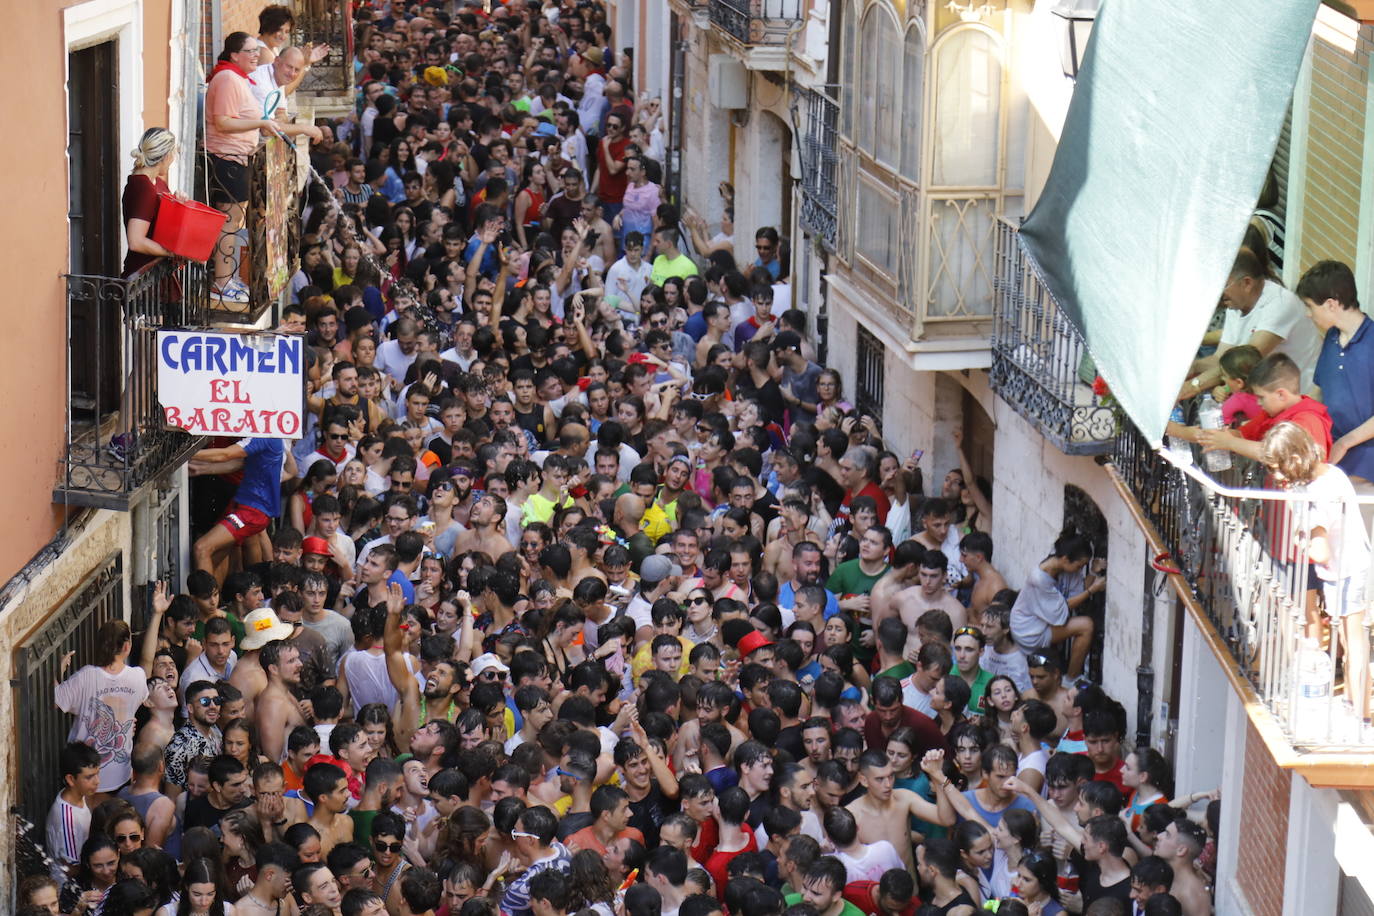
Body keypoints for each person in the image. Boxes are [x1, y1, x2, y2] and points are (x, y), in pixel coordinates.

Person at [54, 619, 149, 792]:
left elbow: (56, 700)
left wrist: (57, 669)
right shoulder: (137, 677)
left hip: (84, 775)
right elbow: (142, 697)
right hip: (120, 773)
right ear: (127, 646)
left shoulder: (86, 676)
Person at [1009, 533, 1100, 678]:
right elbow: (1064, 607)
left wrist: (1093, 573)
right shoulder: (1039, 578)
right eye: (1079, 566)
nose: (1080, 569)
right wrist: (1092, 590)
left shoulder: (1065, 567)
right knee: (1086, 626)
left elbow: (1077, 595)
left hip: (1043, 622)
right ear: (1065, 559)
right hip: (1028, 630)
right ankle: (1071, 679)